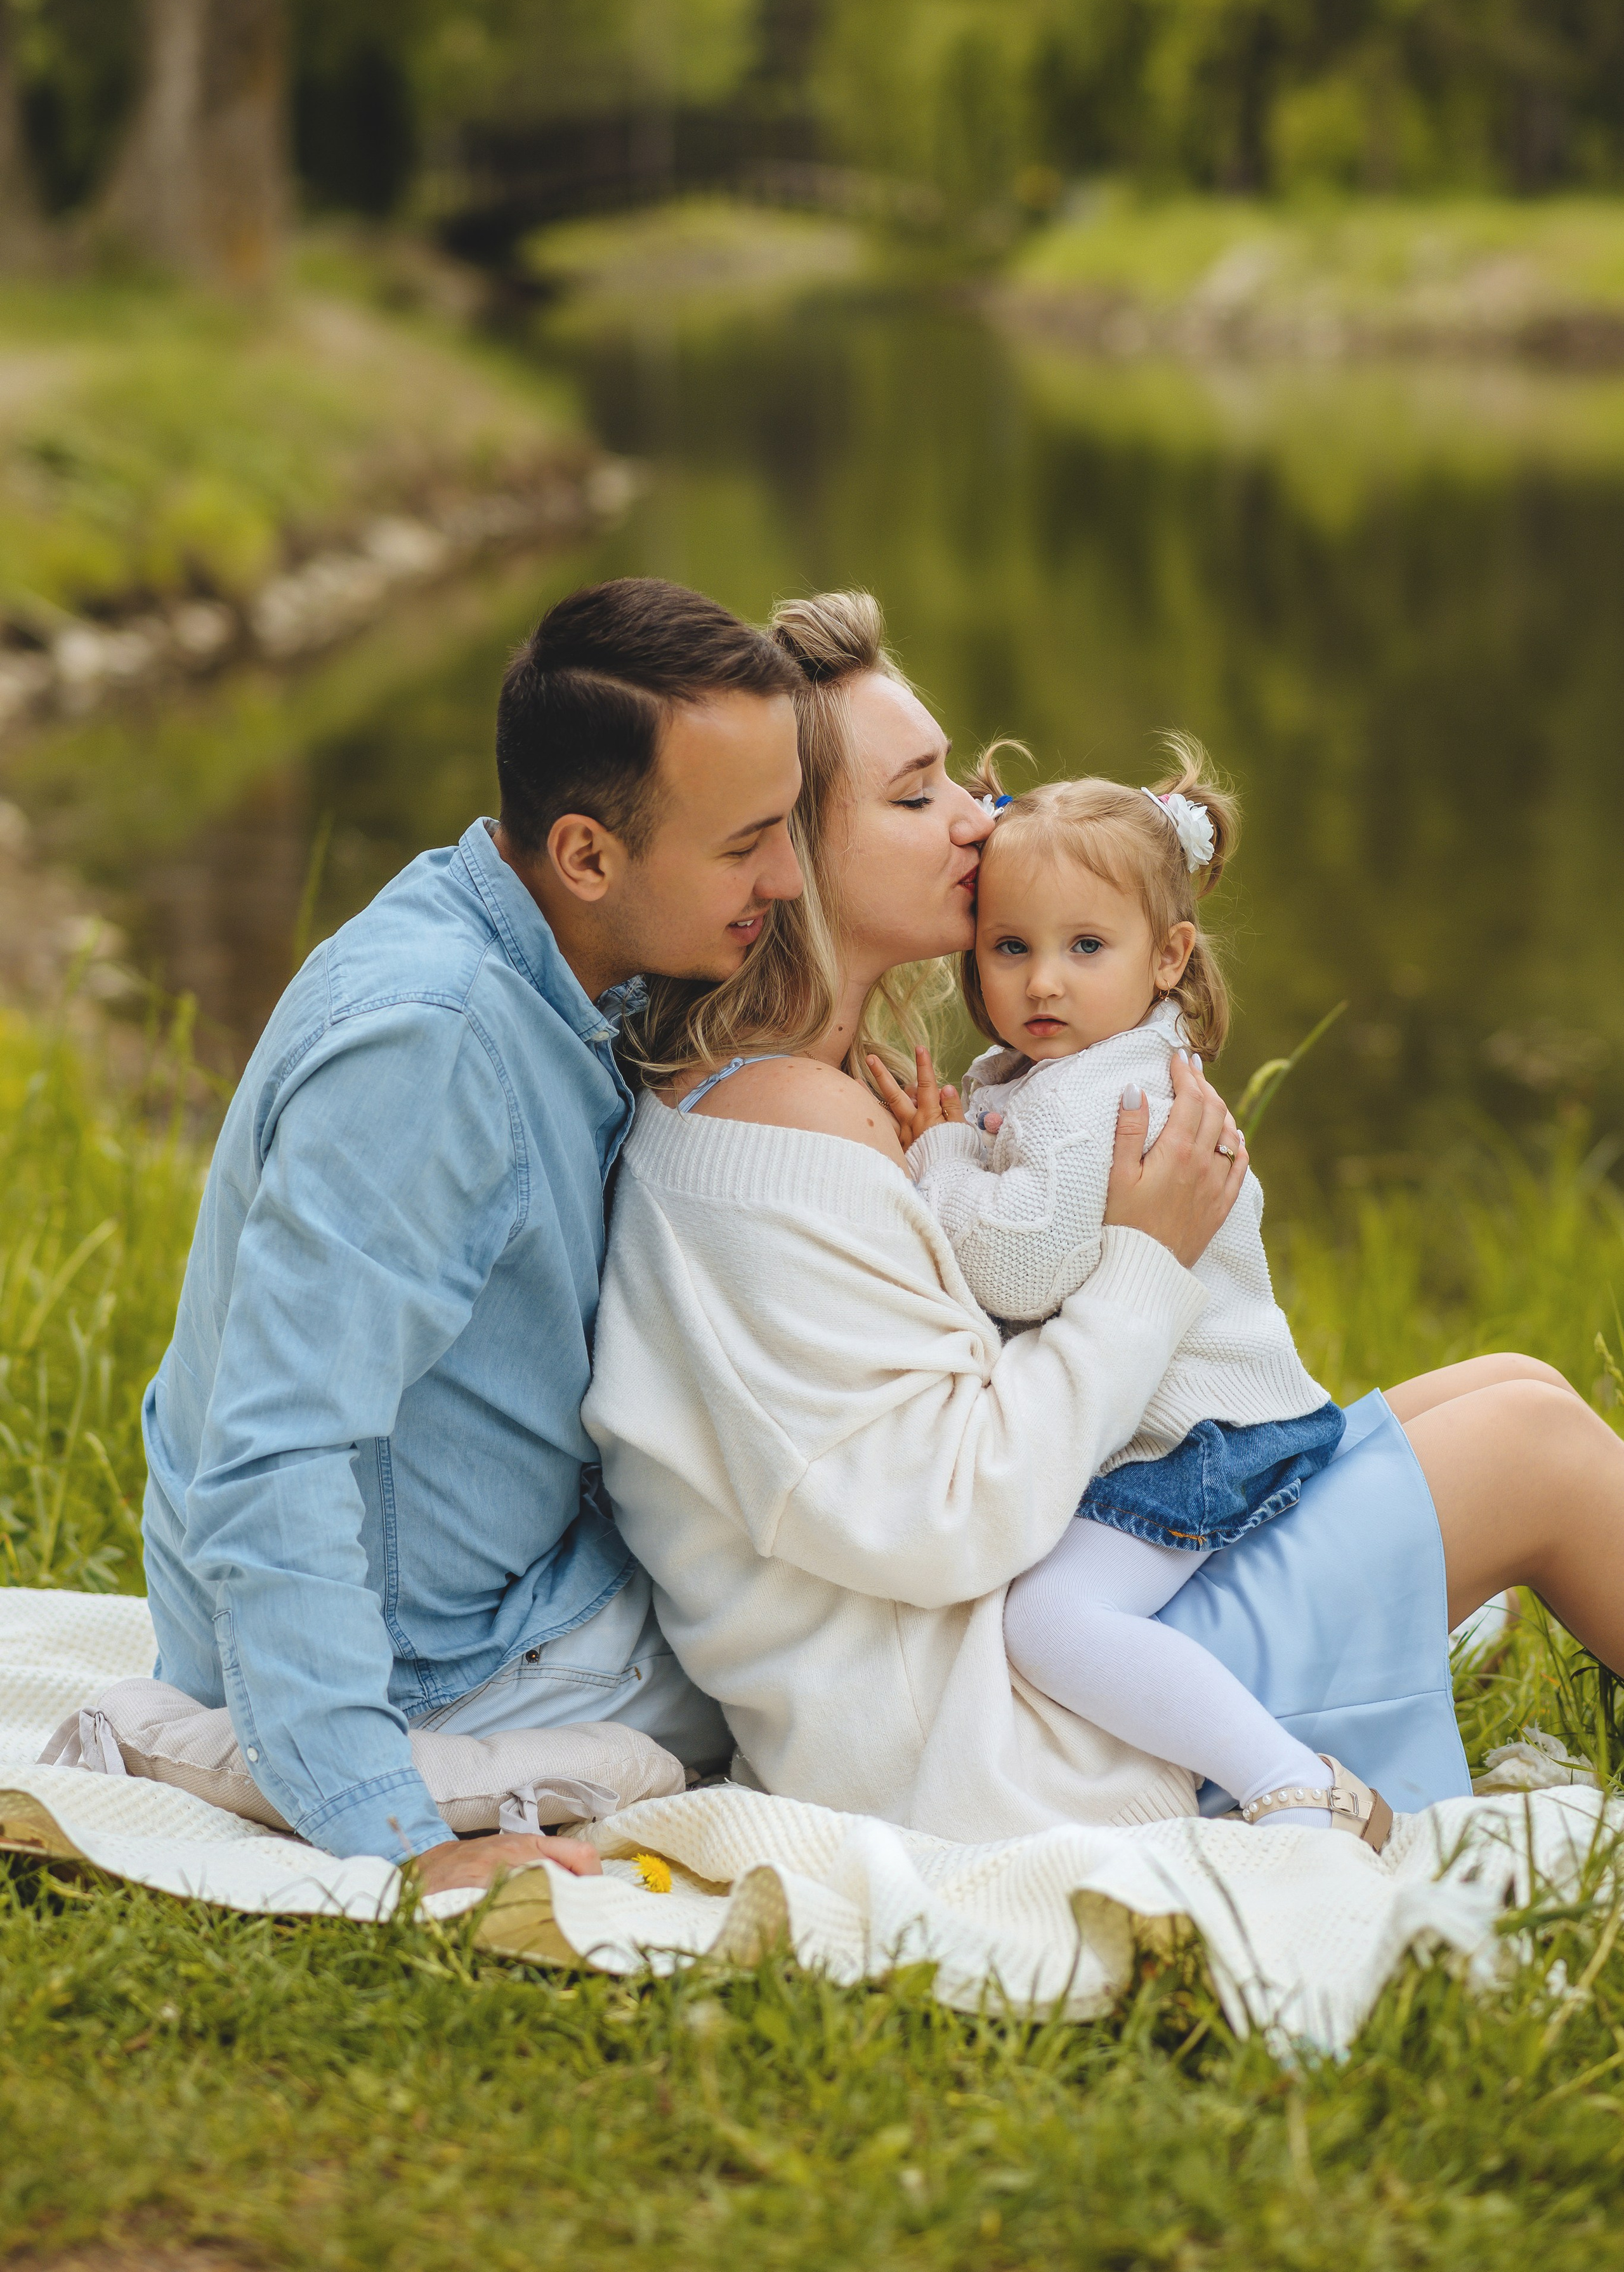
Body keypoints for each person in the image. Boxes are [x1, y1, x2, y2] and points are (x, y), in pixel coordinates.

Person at [584, 588, 1624, 1844]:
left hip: (1030, 1625)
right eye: (916, 798)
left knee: (1501, 1381)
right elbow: (952, 1513)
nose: (979, 821)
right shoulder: (784, 1134)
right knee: (1531, 1448)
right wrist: (1143, 1257)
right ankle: (1291, 1758)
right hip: (1012, 1724)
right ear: (783, 851)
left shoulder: (810, 1098)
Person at [140, 577, 809, 1894]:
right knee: (850, 1654)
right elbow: (276, 1446)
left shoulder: (527, 947)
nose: (783, 880)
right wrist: (383, 1831)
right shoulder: (431, 1045)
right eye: (745, 846)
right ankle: (316, 1758)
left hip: (497, 1582)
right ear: (585, 855)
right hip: (430, 1666)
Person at [872, 744, 1368, 1840]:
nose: (1042, 980)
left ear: (1168, 955)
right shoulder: (1055, 1074)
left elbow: (1017, 1268)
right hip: (1197, 1413)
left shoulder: (1094, 1097)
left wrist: (940, 1156)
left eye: (1085, 946)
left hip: (1196, 1434)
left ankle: (1292, 1781)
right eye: (1011, 947)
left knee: (1047, 1621)